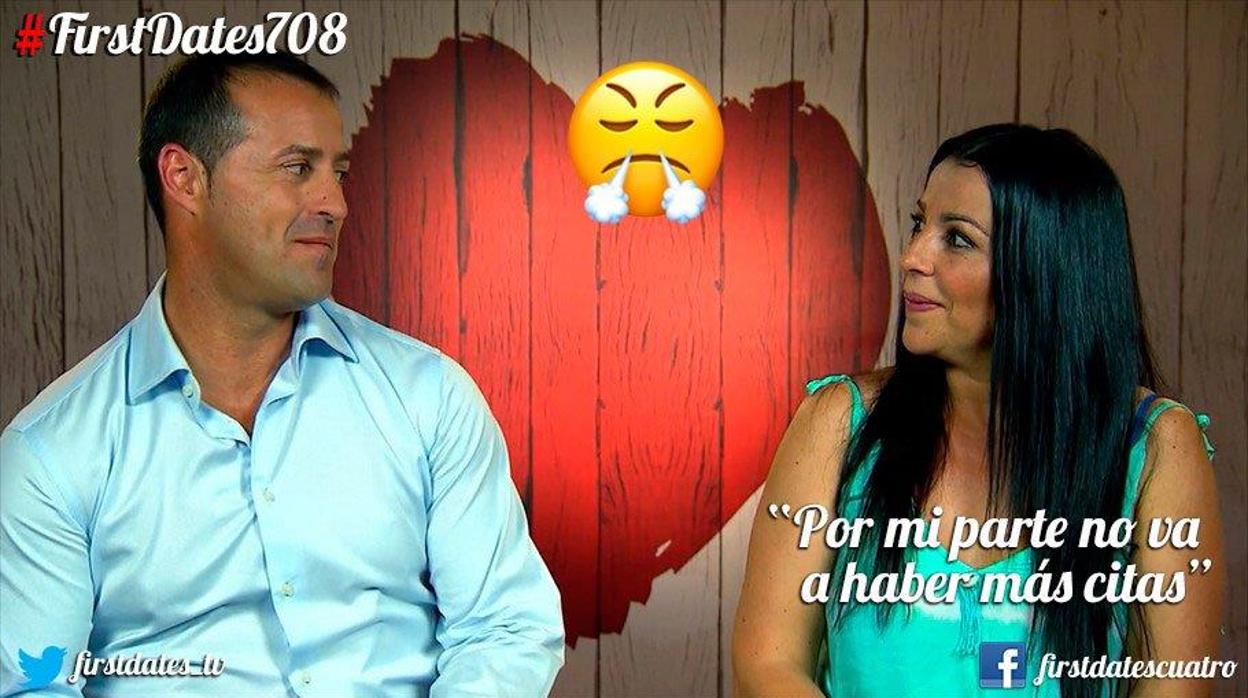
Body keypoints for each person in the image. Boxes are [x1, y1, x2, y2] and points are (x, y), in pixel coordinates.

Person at [0, 52, 564, 696]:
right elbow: (32, 684)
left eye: (337, 173)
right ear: (184, 178)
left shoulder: (427, 396)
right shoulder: (51, 452)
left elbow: (505, 627)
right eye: (298, 168)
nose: (336, 204)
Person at [732, 124, 1225, 697]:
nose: (911, 257)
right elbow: (768, 664)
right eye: (919, 224)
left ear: (1044, 271)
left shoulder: (1157, 448)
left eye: (957, 239)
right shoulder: (839, 422)